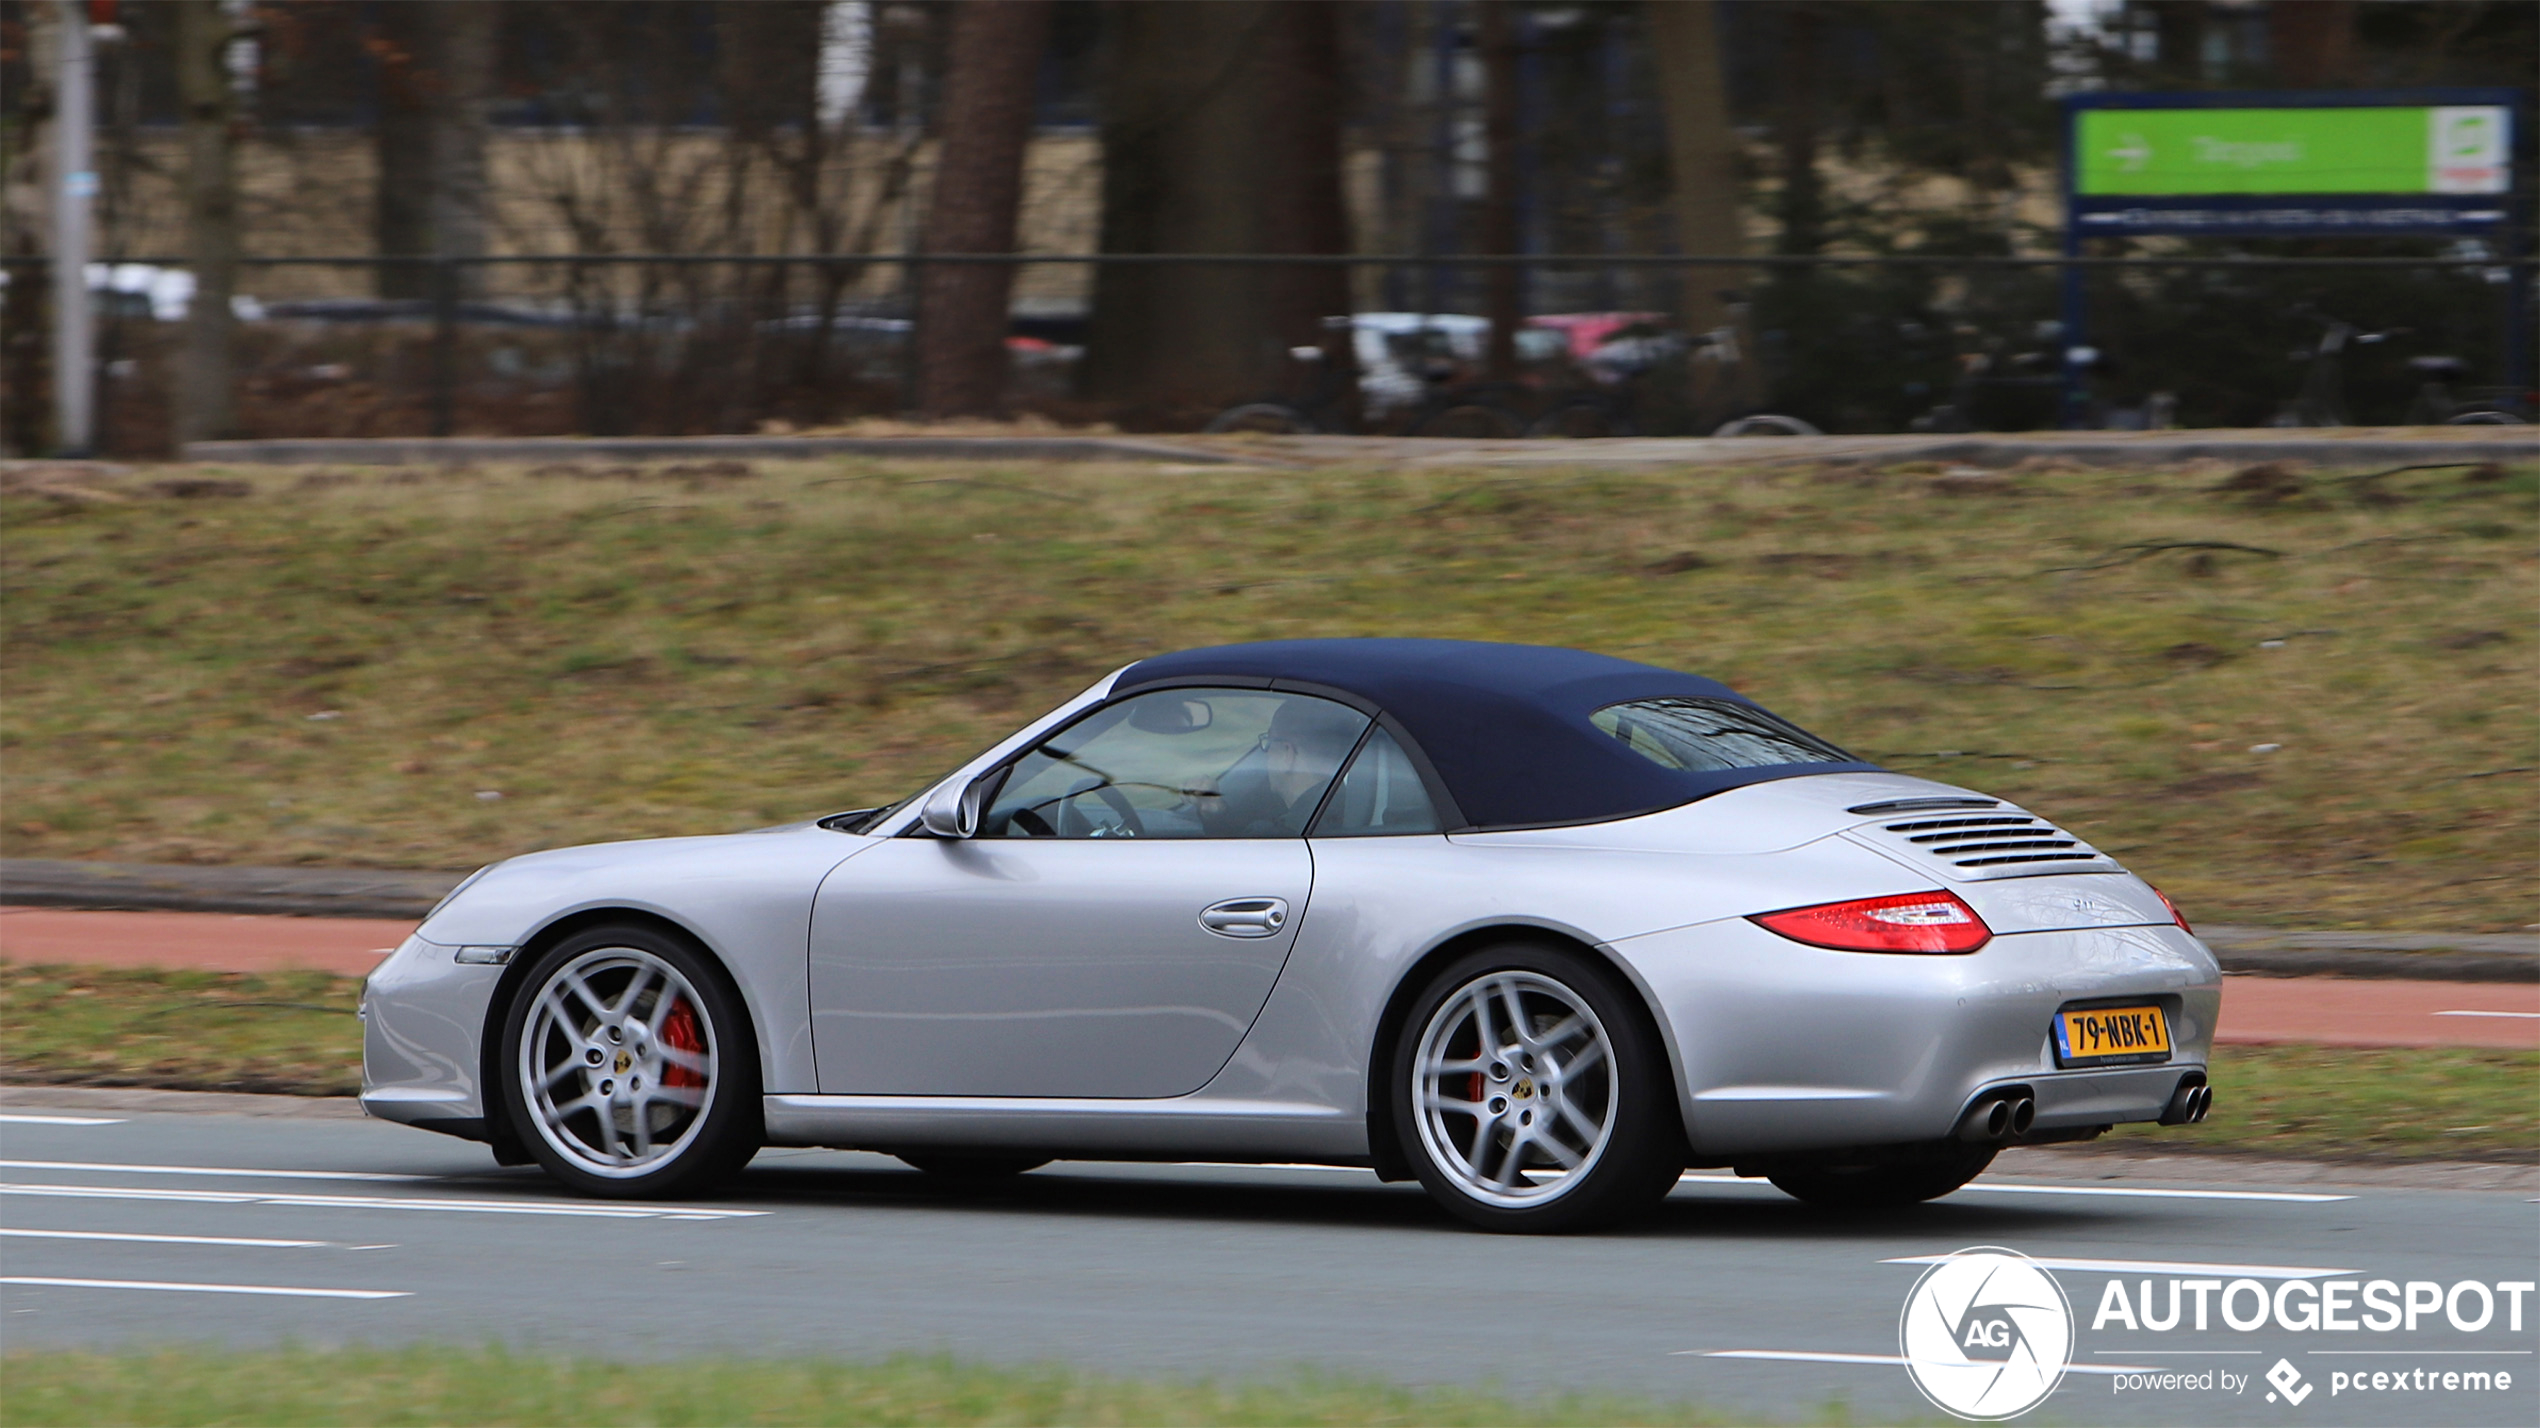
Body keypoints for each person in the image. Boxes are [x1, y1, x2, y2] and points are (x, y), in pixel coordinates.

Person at [1200, 698, 1366, 837]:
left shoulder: (1277, 834)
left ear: (1287, 753)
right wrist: (1216, 812)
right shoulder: (1350, 813)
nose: (1266, 754)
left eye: (1269, 742)